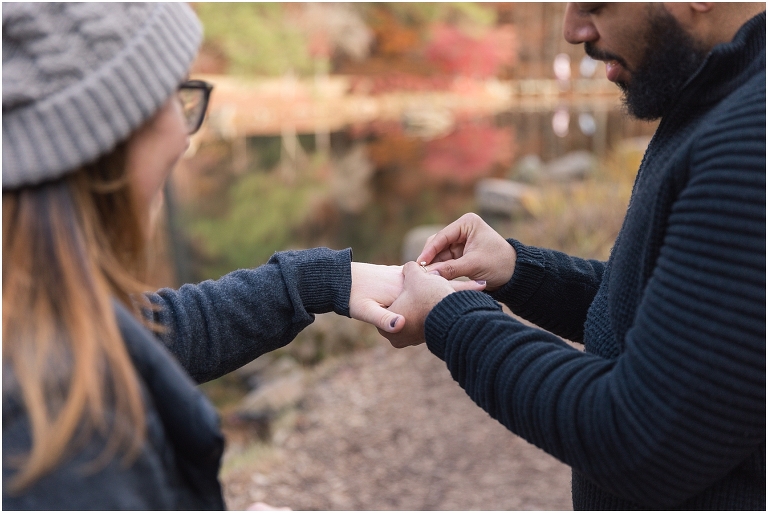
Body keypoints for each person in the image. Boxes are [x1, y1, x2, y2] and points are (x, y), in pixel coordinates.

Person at [0, 3, 482, 509]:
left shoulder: (35, 310)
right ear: (101, 139)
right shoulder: (56, 436)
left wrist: (318, 281)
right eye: (174, 95)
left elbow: (153, 333)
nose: (185, 136)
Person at [381, 3, 765, 510]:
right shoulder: (718, 92)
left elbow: (637, 445)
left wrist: (449, 318)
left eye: (594, 3)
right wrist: (518, 270)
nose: (572, 30)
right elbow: (668, 317)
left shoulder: (747, 144)